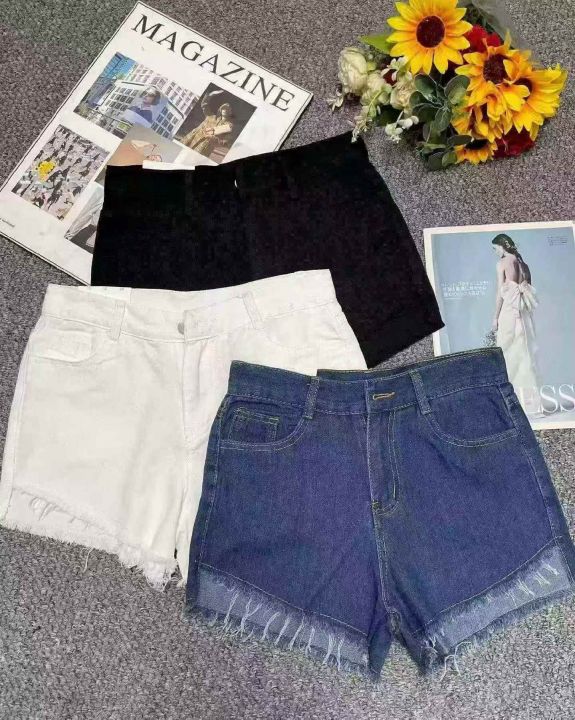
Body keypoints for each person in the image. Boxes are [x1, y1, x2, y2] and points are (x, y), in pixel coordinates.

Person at [491, 233, 542, 415]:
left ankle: (511, 406)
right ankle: (532, 405)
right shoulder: (524, 264)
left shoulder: (502, 263)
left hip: (509, 312)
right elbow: (527, 290)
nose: (495, 252)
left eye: (495, 248)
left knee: (507, 354)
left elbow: (500, 294)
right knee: (525, 353)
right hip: (523, 313)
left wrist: (495, 317)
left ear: (502, 246)